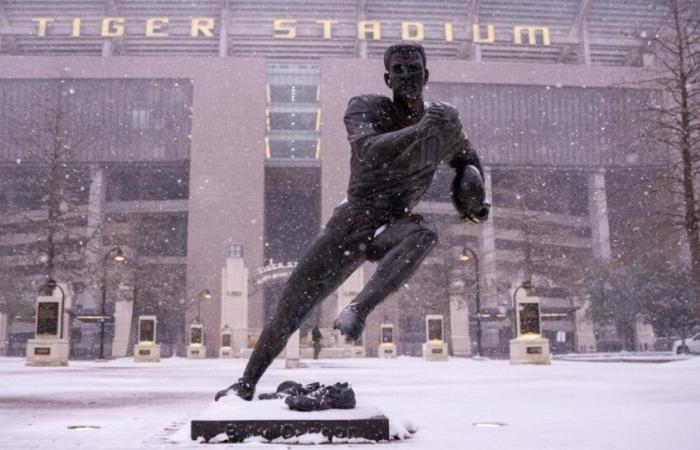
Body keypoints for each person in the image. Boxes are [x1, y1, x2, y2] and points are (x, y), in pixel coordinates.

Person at [216, 42, 489, 402]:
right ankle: (246, 382)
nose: (407, 75)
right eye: (400, 69)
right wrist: (422, 131)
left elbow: (466, 160)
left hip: (391, 225)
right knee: (292, 305)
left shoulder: (443, 123)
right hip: (352, 221)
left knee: (424, 233)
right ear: (387, 77)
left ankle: (358, 309)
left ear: (426, 74)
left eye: (414, 68)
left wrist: (471, 198)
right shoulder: (366, 107)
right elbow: (369, 151)